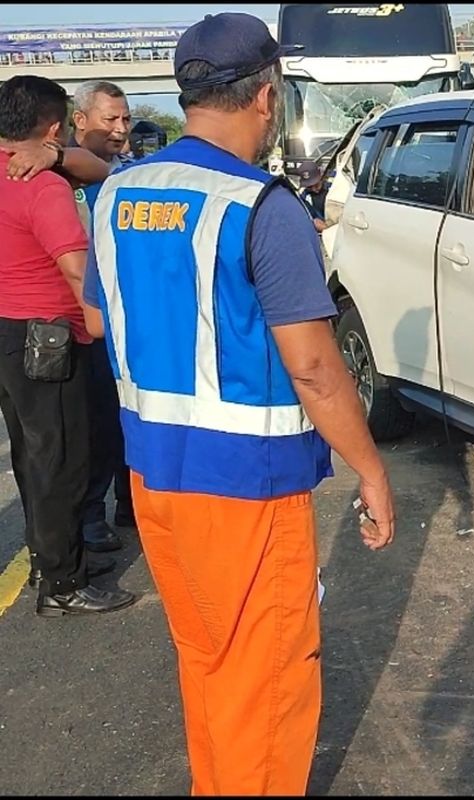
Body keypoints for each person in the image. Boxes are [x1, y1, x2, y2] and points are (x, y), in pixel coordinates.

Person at [82, 13, 396, 794]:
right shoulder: (264, 207)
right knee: (269, 684)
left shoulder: (119, 194)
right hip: (248, 492)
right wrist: (372, 471)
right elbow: (317, 370)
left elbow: (95, 318)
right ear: (267, 96)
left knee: (212, 663)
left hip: (155, 482)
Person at [0, 75, 137, 616]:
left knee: (34, 458)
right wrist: (108, 325)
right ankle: (62, 585)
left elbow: (100, 168)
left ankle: (54, 558)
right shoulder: (42, 186)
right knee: (62, 463)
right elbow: (77, 267)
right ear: (56, 125)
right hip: (51, 337)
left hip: (10, 333)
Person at [70, 80, 135, 553]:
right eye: (109, 119)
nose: (119, 129)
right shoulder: (60, 176)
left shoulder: (129, 173)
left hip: (127, 317)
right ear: (79, 122)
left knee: (129, 414)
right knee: (94, 427)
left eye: (125, 119)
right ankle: (91, 516)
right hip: (81, 322)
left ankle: (131, 501)